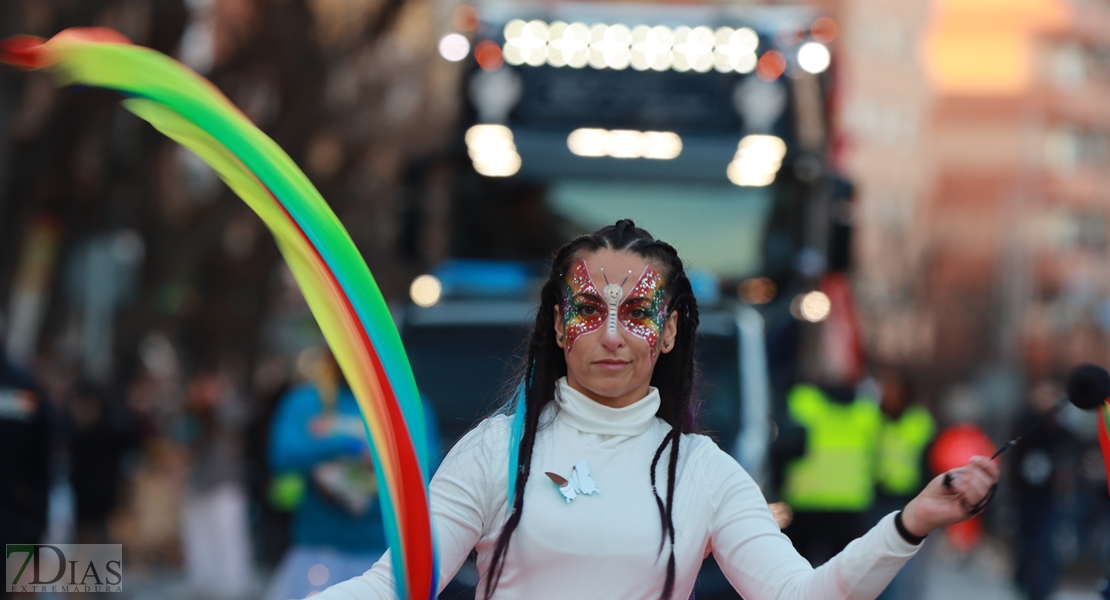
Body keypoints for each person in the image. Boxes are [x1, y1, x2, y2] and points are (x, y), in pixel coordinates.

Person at [311, 220, 999, 600]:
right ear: (557, 325)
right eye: (589, 310)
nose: (612, 335)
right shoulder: (495, 452)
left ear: (669, 333)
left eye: (638, 312)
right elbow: (392, 588)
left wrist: (911, 524)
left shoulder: (703, 472)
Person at [265, 350, 442, 599]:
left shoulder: (410, 405)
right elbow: (282, 455)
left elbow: (429, 469)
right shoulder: (305, 401)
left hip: (384, 556)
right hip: (318, 551)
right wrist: (346, 445)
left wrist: (381, 459)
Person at [780, 381, 880, 565]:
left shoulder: (802, 401)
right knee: (843, 575)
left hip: (805, 503)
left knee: (797, 572)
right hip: (849, 505)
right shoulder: (867, 412)